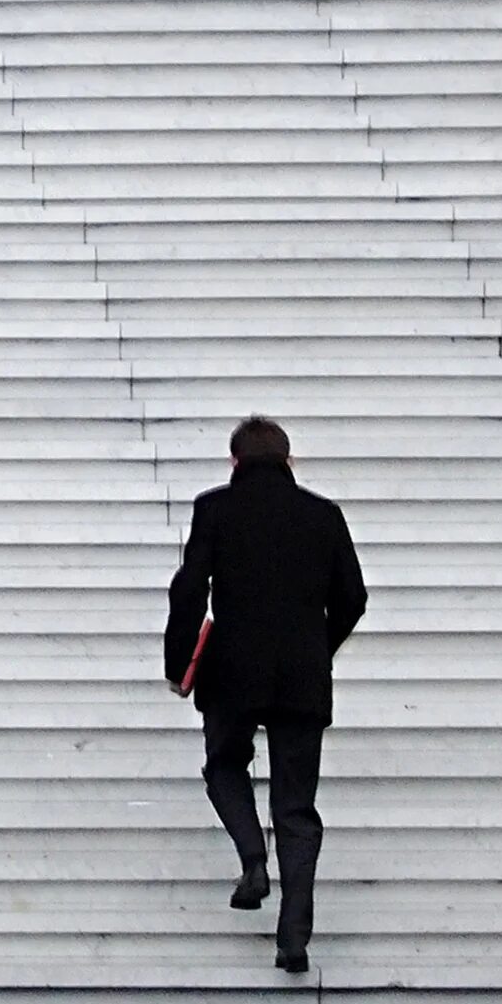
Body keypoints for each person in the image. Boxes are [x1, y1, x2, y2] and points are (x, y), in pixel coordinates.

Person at [164, 416, 366, 975]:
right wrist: (316, 648)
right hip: (300, 677)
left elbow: (188, 590)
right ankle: (294, 938)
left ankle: (254, 860)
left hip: (231, 671)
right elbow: (353, 596)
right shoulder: (323, 515)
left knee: (224, 765)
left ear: (235, 463)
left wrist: (179, 662)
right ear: (289, 462)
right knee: (297, 807)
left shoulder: (214, 509)